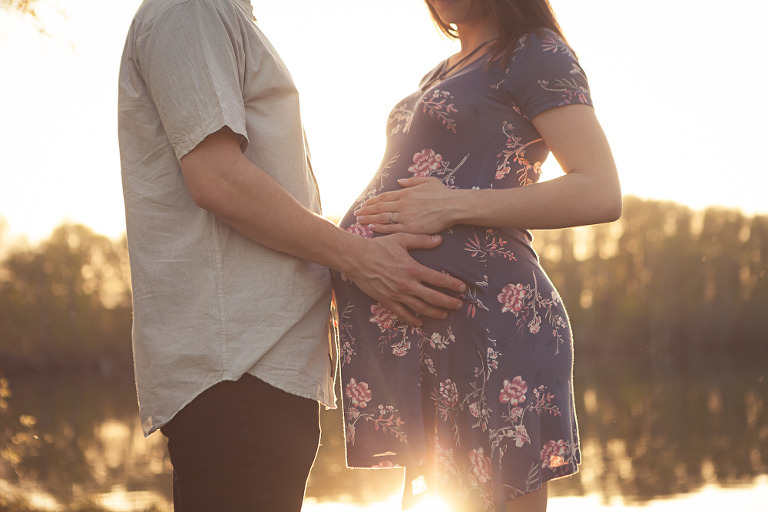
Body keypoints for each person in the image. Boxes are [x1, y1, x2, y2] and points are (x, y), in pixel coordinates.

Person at [117, 0, 467, 511]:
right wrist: (361, 258)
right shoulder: (191, 9)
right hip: (236, 372)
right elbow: (217, 179)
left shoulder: (227, 15)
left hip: (262, 371)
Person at [332, 1, 622, 511]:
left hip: (493, 324)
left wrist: (452, 204)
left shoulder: (533, 52)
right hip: (426, 331)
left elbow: (599, 190)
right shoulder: (441, 71)